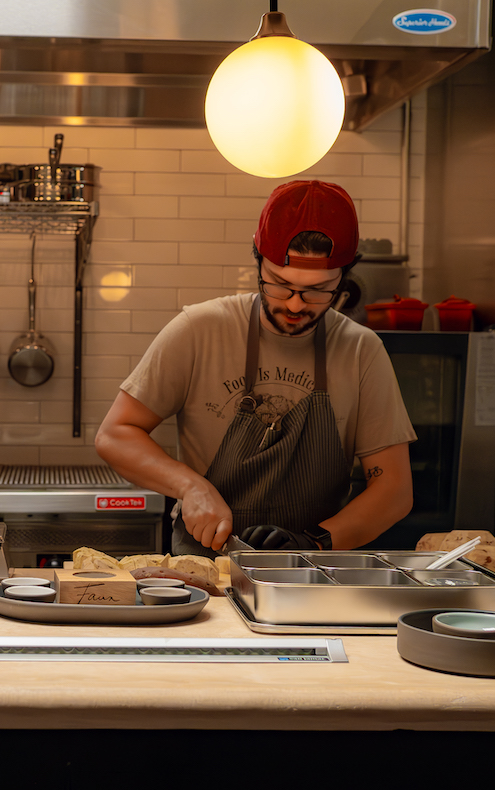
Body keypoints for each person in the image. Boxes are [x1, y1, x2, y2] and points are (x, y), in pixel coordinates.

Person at [95, 180, 415, 555]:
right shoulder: (200, 330)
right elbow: (116, 434)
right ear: (257, 258)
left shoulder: (361, 350)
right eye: (280, 285)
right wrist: (191, 486)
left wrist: (314, 542)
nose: (295, 305)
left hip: (311, 570)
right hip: (207, 565)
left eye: (318, 290)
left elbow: (393, 489)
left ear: (345, 276)